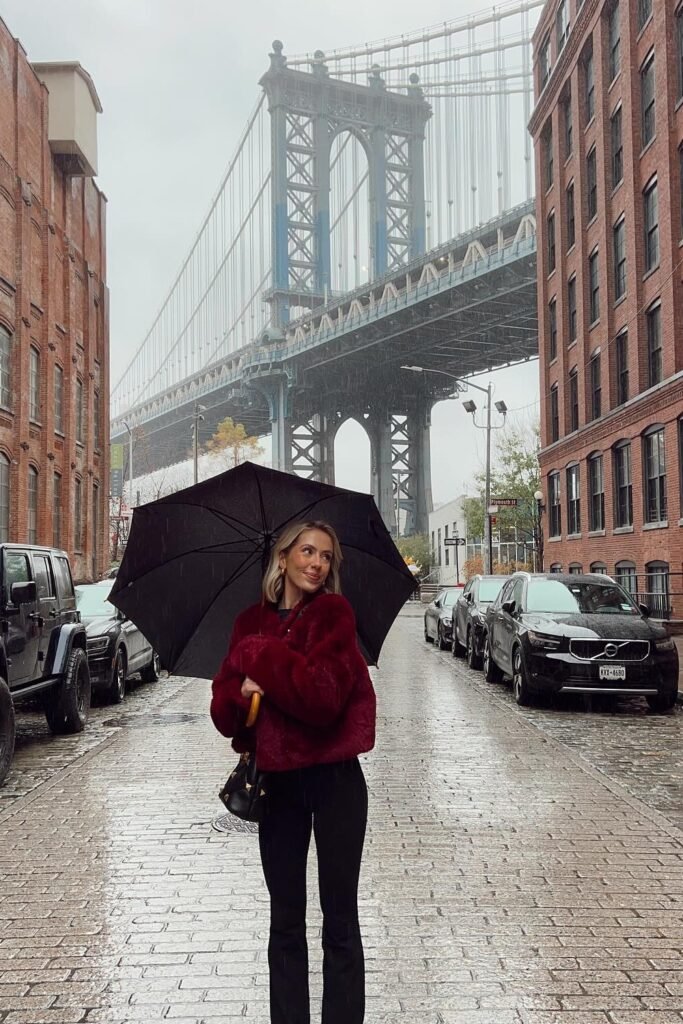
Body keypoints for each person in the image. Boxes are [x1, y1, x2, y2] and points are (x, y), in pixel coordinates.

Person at [210, 520, 376, 1024]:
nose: (317, 564)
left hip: (335, 783)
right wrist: (239, 697)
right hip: (277, 785)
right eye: (307, 551)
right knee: (285, 921)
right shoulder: (248, 622)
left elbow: (322, 699)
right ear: (282, 558)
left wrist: (263, 658)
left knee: (339, 920)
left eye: (326, 556)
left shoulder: (333, 616)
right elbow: (223, 715)